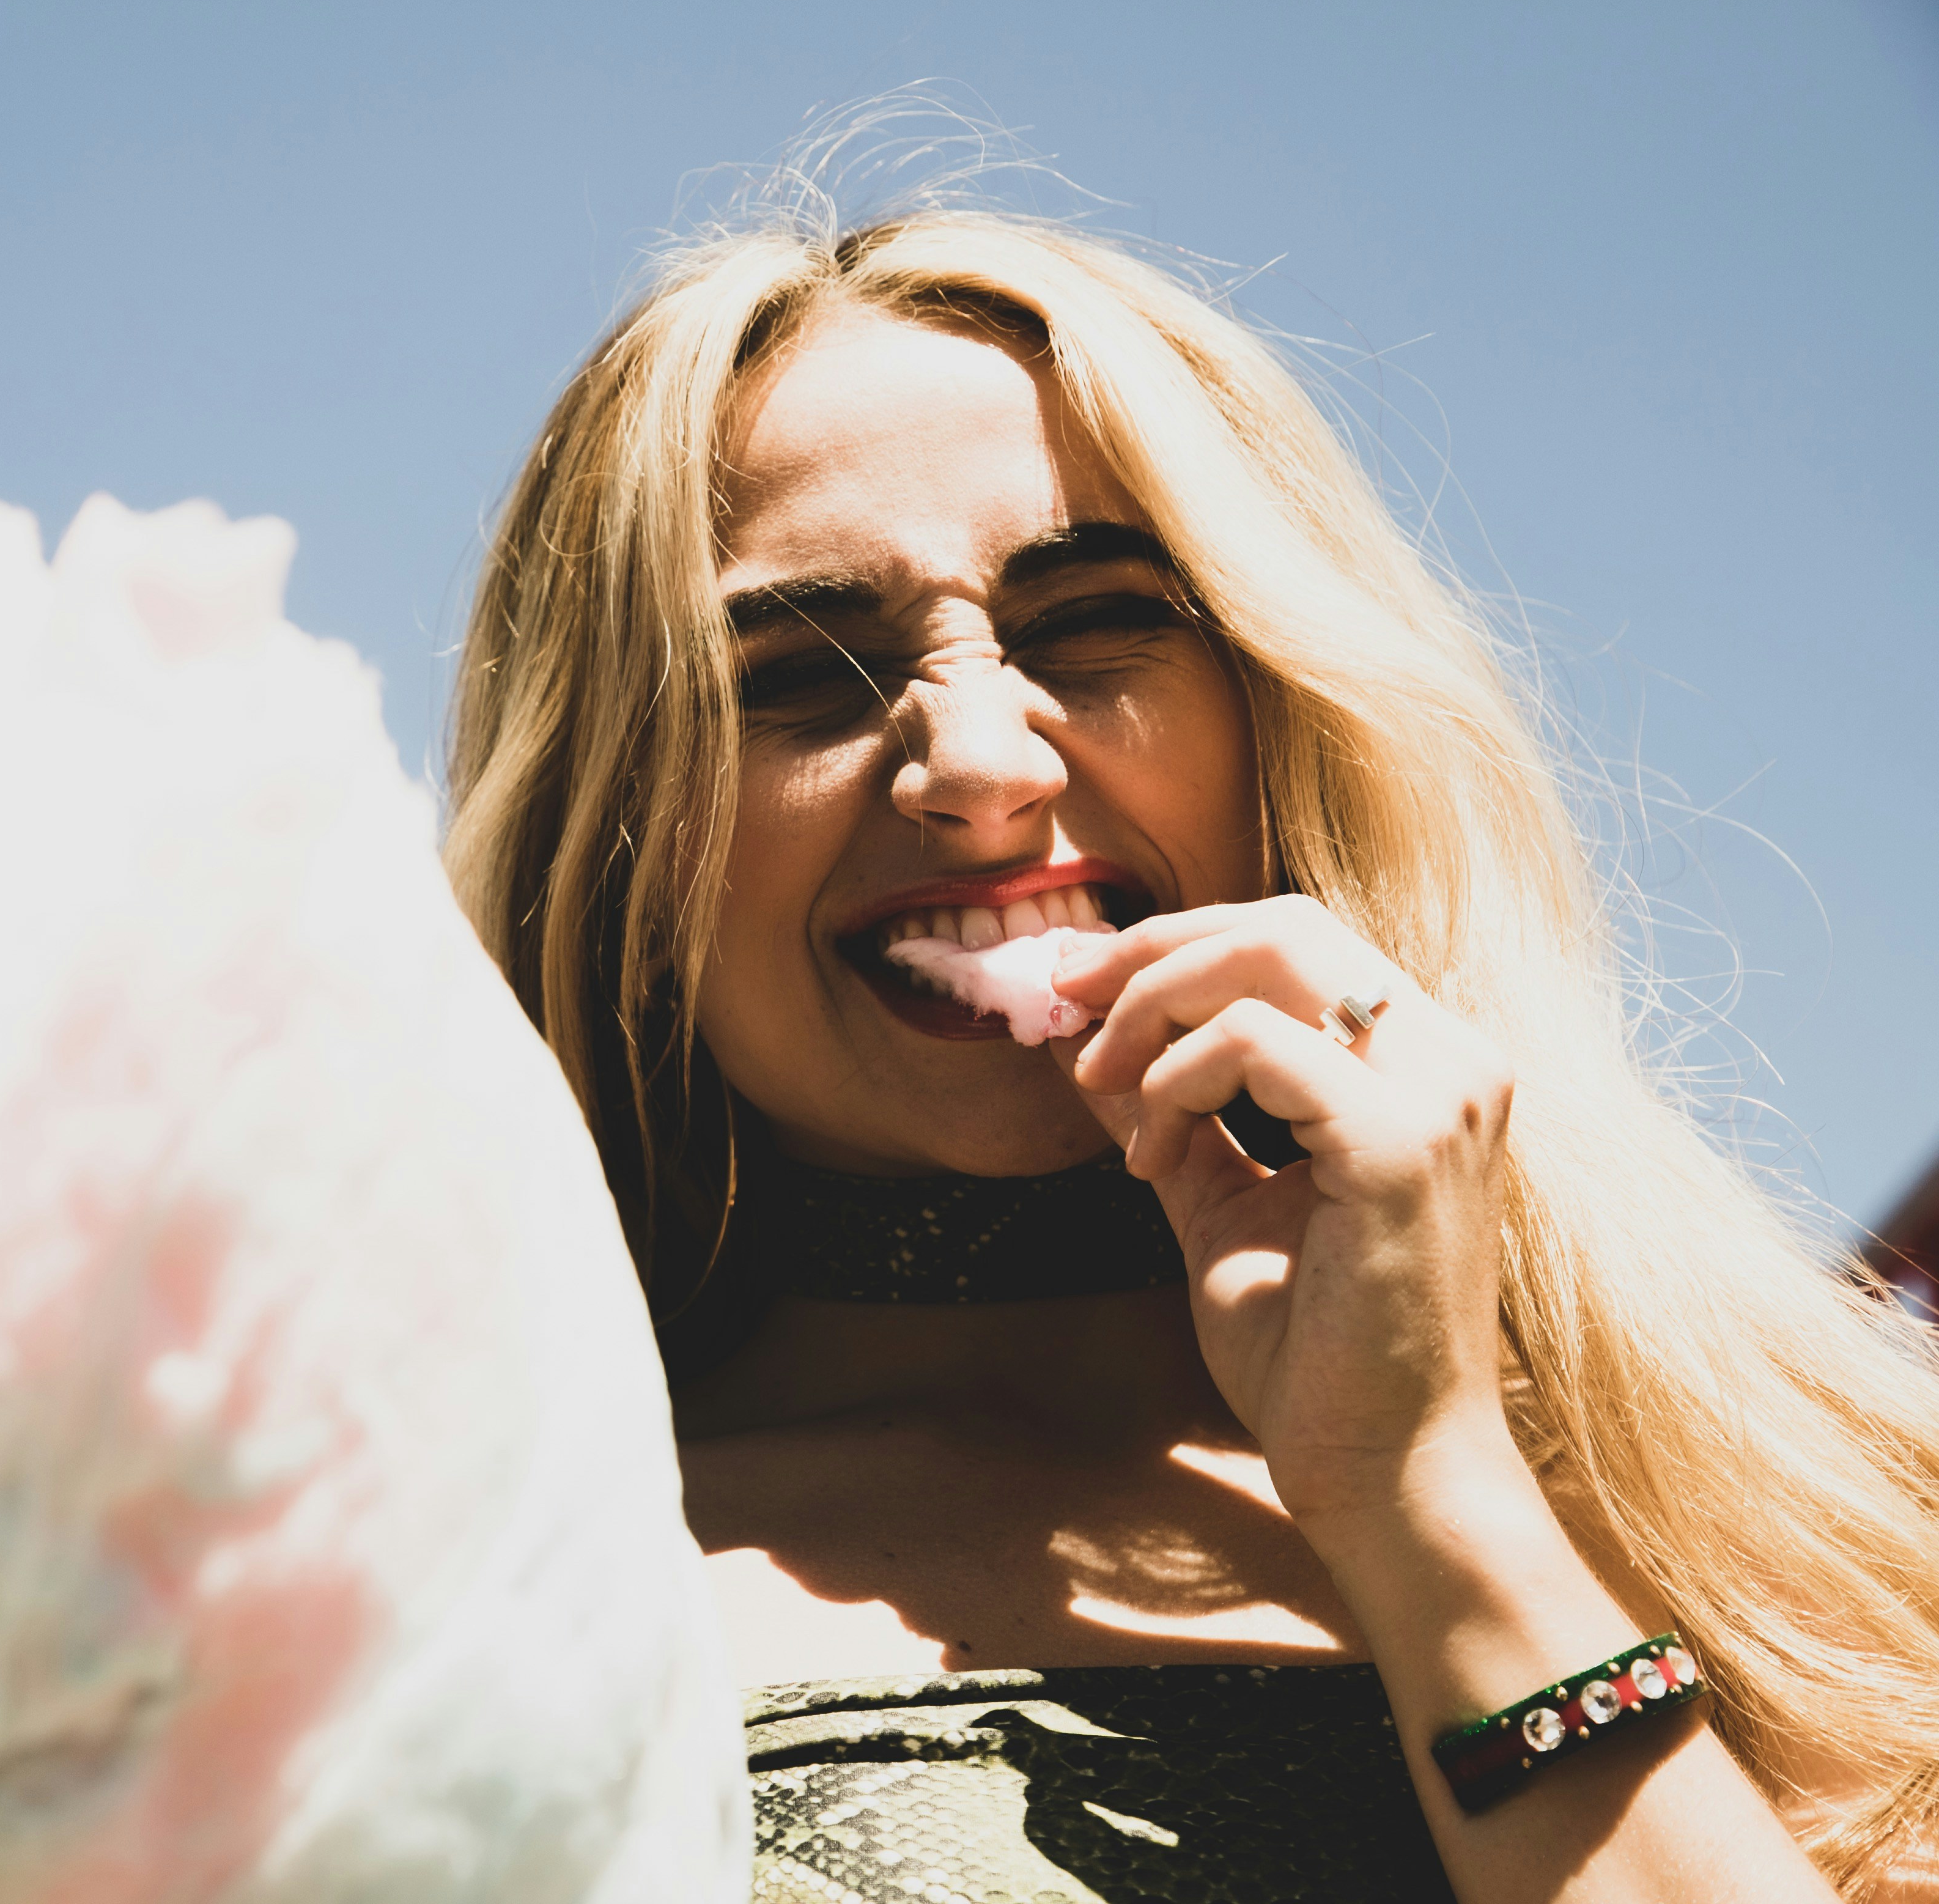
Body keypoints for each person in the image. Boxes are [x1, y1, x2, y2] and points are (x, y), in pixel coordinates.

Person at [440, 197, 1939, 1900]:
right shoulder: (415, 1585)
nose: (979, 760)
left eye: (1094, 624)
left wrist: (1430, 1492)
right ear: (621, 836)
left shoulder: (1819, 1524)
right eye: (800, 675)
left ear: (1286, 711)